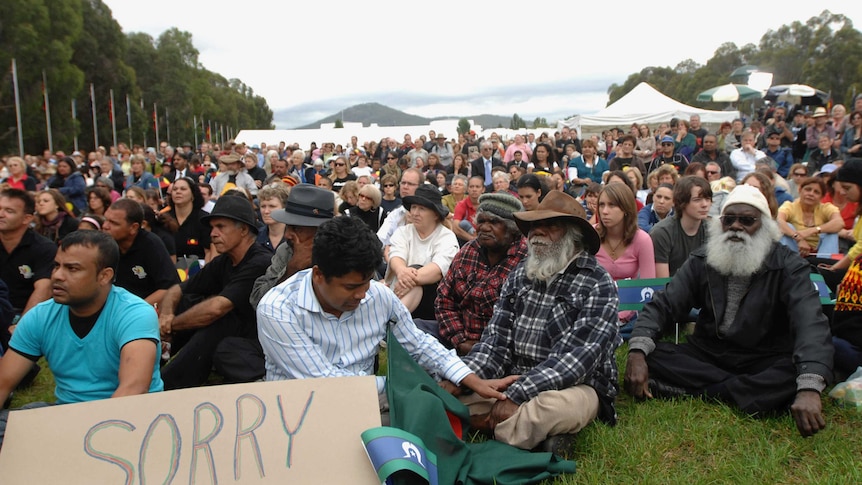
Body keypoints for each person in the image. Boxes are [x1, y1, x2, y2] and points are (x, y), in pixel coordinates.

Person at [624, 185, 833, 438]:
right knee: (653, 355)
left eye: (746, 220)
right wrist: (636, 352)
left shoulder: (790, 266)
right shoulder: (702, 259)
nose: (736, 226)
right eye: (729, 219)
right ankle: (746, 395)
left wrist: (809, 388)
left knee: (793, 375)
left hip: (763, 358)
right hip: (710, 353)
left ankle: (698, 391)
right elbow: (664, 304)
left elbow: (810, 324)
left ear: (764, 226)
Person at [257, 216, 510, 411]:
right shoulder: (278, 309)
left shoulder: (378, 296)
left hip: (371, 404)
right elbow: (326, 382)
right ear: (318, 274)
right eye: (351, 287)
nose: (362, 294)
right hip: (298, 411)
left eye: (367, 281)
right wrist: (420, 387)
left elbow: (418, 343)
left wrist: (467, 376)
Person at [455, 190, 620, 452]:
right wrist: (464, 377)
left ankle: (477, 424)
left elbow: (576, 361)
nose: (536, 232)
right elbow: (494, 342)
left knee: (553, 409)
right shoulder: (521, 274)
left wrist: (517, 395)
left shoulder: (598, 282)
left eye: (549, 226)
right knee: (456, 393)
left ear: (573, 236)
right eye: (533, 226)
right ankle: (525, 434)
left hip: (574, 385)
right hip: (511, 378)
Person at [0, 230, 163, 447]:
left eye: (72, 269)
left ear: (104, 276)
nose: (57, 275)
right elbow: (3, 382)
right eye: (57, 265)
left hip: (132, 423)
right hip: (67, 413)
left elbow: (133, 389)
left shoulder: (134, 314)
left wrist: (86, 446)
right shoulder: (40, 316)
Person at [158, 196, 271, 389]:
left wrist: (172, 326)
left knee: (219, 320)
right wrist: (166, 316)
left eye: (221, 227)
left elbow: (217, 309)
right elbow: (176, 290)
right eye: (212, 227)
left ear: (243, 230)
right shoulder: (224, 261)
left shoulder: (260, 261)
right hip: (230, 336)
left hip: (255, 345)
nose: (213, 234)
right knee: (187, 300)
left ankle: (166, 385)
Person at [435, 193, 527, 354]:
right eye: (481, 221)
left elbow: (524, 322)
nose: (484, 227)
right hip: (457, 337)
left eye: (493, 222)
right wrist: (459, 340)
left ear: (513, 228)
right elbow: (444, 300)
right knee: (414, 330)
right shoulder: (468, 251)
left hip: (502, 349)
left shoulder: (527, 260)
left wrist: (483, 347)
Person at [385, 185, 459, 319]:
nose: (415, 213)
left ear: (435, 214)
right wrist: (402, 271)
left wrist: (409, 279)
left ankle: (391, 322)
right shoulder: (404, 232)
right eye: (413, 207)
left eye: (422, 209)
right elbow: (396, 255)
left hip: (431, 301)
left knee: (415, 280)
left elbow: (437, 269)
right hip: (399, 291)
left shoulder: (446, 237)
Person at [595, 183, 656, 339]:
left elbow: (648, 287)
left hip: (629, 307)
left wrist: (625, 313)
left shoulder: (642, 240)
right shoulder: (591, 235)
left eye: (612, 205)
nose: (605, 211)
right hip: (594, 304)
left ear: (626, 209)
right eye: (601, 205)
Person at [102, 199, 179, 305]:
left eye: (114, 223)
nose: (105, 226)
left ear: (133, 228)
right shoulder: (102, 244)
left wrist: (136, 310)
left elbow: (169, 288)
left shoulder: (151, 245)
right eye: (105, 220)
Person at [0, 189, 57, 321]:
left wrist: (22, 326)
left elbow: (44, 288)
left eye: (9, 211)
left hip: (26, 315)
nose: (1, 214)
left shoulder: (44, 248)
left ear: (27, 218)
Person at [650, 176, 712, 278]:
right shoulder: (662, 233)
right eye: (697, 200)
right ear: (681, 202)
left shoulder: (712, 231)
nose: (704, 204)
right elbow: (662, 283)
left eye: (708, 199)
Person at [777, 177, 843, 258]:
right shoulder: (790, 206)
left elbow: (839, 223)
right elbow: (778, 220)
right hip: (795, 249)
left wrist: (813, 230)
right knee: (787, 226)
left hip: (818, 252)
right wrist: (798, 238)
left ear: (821, 197)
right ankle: (786, 263)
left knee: (832, 232)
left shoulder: (826, 208)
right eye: (808, 189)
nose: (811, 194)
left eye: (816, 192)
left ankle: (824, 266)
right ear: (800, 190)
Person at [165, 177, 211, 262]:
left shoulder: (204, 219)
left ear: (193, 194)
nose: (178, 192)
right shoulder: (164, 219)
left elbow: (209, 252)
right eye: (175, 189)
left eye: (183, 189)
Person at [452, 176, 485, 243]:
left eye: (477, 187)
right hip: (466, 241)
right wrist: (472, 239)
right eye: (471, 187)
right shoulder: (461, 205)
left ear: (483, 189)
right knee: (463, 224)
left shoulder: (487, 205)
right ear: (467, 189)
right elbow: (455, 227)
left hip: (484, 238)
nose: (474, 189)